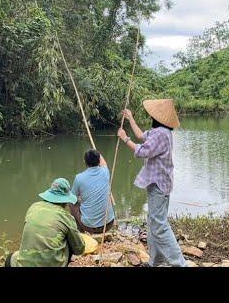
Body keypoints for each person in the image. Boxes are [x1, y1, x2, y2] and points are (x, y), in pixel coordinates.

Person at [117, 99, 187, 267]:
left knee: (159, 226)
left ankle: (180, 263)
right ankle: (155, 261)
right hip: (161, 183)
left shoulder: (160, 133)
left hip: (158, 185)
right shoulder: (162, 131)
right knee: (154, 222)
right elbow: (142, 136)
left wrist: (125, 139)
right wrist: (131, 119)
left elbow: (143, 151)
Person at [5, 177, 85, 267]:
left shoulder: (33, 207)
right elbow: (79, 249)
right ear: (65, 200)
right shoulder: (66, 217)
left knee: (10, 258)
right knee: (69, 240)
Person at [69, 149, 115, 234]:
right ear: (98, 160)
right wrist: (97, 153)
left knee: (71, 202)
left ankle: (80, 231)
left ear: (85, 162)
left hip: (88, 227)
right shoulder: (105, 172)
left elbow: (72, 198)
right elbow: (104, 163)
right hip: (108, 224)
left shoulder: (79, 178)